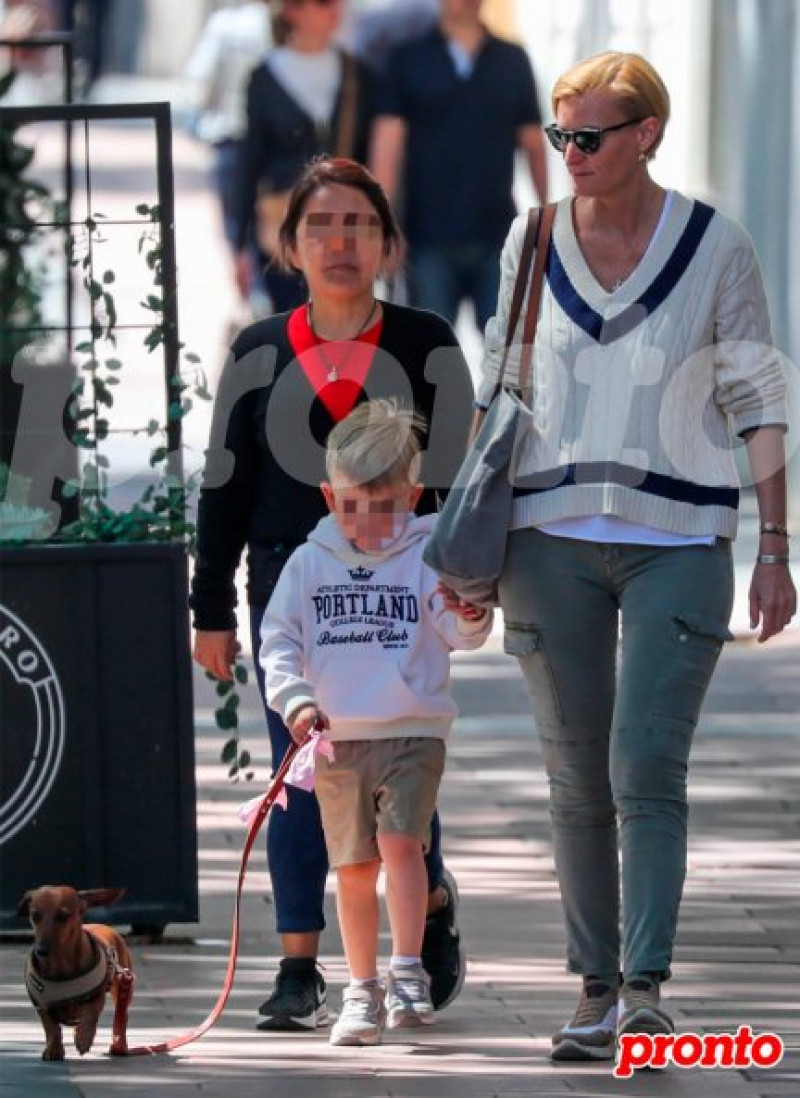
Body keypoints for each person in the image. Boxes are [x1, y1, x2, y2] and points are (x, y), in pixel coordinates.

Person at [473, 51, 796, 1062]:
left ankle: (645, 989)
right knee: (574, 779)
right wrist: (465, 559)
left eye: (589, 137)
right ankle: (592, 989)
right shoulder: (528, 238)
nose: (568, 153)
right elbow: (498, 391)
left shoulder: (716, 248)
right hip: (544, 539)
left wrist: (774, 541)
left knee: (644, 764)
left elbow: (755, 401)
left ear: (646, 133)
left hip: (681, 541)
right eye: (561, 135)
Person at [190, 157, 475, 1032]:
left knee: (397, 776)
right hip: (294, 578)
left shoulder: (425, 342)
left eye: (359, 224)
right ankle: (299, 967)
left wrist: (469, 587)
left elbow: (463, 479)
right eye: (321, 225)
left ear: (388, 243)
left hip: (403, 584)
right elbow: (221, 485)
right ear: (291, 245)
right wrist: (211, 611)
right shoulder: (257, 349)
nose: (340, 241)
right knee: (305, 775)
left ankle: (423, 911)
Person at [260, 399, 492, 1046]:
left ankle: (408, 969)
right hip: (339, 737)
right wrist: (295, 698)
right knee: (354, 867)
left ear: (414, 496)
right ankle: (361, 991)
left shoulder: (427, 553)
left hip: (413, 731)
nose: (370, 521)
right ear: (330, 497)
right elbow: (277, 638)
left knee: (401, 845)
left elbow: (458, 629)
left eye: (387, 506)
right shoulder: (309, 563)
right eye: (355, 505)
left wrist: (469, 613)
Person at [370, 0, 548, 331]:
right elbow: (387, 145)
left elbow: (533, 143)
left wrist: (548, 220)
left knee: (510, 359)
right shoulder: (408, 59)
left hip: (497, 235)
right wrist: (384, 223)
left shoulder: (512, 60)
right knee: (431, 359)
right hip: (427, 238)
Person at [233, 0, 374, 314]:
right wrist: (239, 245)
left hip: (347, 227)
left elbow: (373, 158)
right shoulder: (264, 77)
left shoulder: (358, 74)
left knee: (345, 333)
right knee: (293, 331)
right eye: (323, 2)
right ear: (291, 10)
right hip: (284, 227)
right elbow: (250, 161)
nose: (335, 8)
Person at [182, 0, 274, 255]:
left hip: (230, 132)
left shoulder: (225, 25)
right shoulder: (286, 26)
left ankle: (245, 274)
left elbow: (201, 79)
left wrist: (201, 115)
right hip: (277, 140)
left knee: (236, 223)